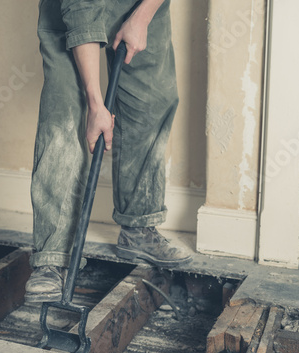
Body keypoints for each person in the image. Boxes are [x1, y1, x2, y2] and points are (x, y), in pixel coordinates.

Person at [25, 0, 192, 304]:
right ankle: (52, 256)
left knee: (151, 101)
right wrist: (95, 103)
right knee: (64, 115)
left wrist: (142, 17)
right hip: (72, 8)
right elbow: (80, 8)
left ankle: (138, 227)